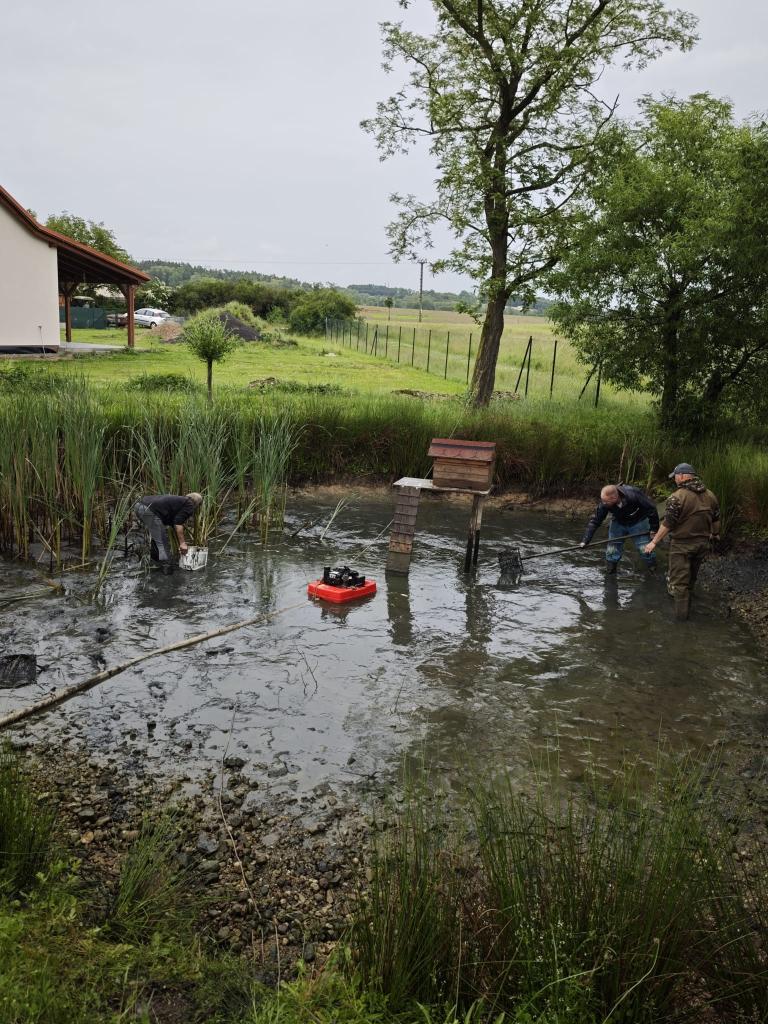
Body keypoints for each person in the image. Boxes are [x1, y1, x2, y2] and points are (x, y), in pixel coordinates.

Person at [644, 463, 719, 621]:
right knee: (691, 578)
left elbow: (668, 524)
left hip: (682, 546)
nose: (675, 479)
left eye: (676, 476)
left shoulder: (677, 497)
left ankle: (681, 622)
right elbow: (716, 518)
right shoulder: (710, 495)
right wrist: (715, 534)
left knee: (679, 584)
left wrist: (654, 542)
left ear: (683, 476)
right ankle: (688, 607)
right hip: (703, 544)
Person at [580, 483, 660, 574]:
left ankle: (653, 571)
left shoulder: (633, 494)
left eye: (605, 501)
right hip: (618, 522)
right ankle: (610, 573)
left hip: (638, 521)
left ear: (614, 498)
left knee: (644, 549)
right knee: (612, 550)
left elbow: (651, 509)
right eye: (603, 501)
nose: (603, 503)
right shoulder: (604, 503)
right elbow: (595, 521)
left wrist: (654, 529)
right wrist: (585, 540)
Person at [134, 493, 203, 574]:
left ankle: (155, 563)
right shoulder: (189, 504)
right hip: (148, 510)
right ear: (197, 503)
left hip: (138, 506)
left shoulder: (179, 501)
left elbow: (174, 521)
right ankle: (167, 569)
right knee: (162, 542)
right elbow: (178, 523)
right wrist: (182, 543)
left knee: (157, 538)